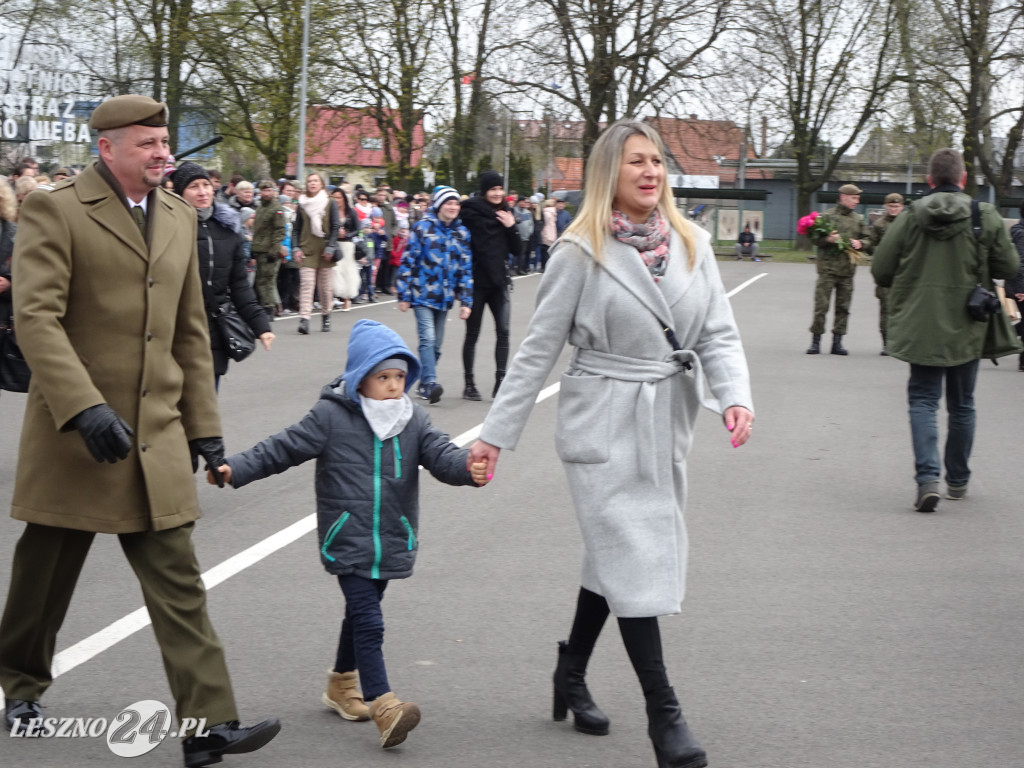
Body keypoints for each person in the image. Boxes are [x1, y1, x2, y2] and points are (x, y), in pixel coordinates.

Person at [0, 94, 280, 765]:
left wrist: (205, 432)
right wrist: (83, 406)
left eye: (164, 143)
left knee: (178, 578)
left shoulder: (181, 217)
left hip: (154, 435)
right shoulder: (56, 208)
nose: (163, 155)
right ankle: (20, 684)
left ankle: (207, 726)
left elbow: (190, 333)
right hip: (77, 432)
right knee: (44, 574)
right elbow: (36, 319)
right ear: (108, 148)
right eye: (148, 144)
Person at [467, 119, 753, 768]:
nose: (650, 173)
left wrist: (733, 396)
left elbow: (716, 333)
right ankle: (665, 714)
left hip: (662, 419)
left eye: (657, 162)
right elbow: (537, 350)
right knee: (631, 552)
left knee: (615, 557)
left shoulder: (692, 243)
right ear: (608, 175)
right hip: (599, 420)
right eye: (636, 163)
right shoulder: (579, 251)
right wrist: (495, 436)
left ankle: (571, 670)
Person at [208, 319, 488, 750]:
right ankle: (384, 704)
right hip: (348, 536)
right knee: (370, 621)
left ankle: (341, 685)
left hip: (392, 534)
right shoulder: (330, 417)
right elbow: (281, 448)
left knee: (362, 613)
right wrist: (235, 468)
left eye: (400, 376)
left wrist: (468, 467)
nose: (394, 386)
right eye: (384, 377)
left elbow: (441, 455)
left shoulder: (412, 418)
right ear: (361, 379)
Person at [873, 149, 1020, 511]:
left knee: (923, 400)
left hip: (922, 325)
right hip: (968, 325)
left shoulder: (909, 216)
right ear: (964, 179)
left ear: (929, 180)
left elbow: (881, 269)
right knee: (963, 403)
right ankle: (957, 480)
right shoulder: (981, 215)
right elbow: (1009, 263)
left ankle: (927, 479)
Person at [172, 162, 274, 389]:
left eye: (206, 185)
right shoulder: (167, 228)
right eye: (193, 186)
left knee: (206, 408)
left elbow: (238, 284)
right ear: (180, 193)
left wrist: (261, 325)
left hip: (214, 331)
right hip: (174, 331)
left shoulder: (228, 230)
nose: (202, 192)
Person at [397, 185, 474, 404]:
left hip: (445, 297)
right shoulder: (423, 228)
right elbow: (408, 260)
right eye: (449, 203)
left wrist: (466, 300)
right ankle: (430, 383)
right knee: (428, 338)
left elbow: (466, 268)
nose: (453, 207)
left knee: (437, 345)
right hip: (422, 294)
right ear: (439, 205)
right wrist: (403, 294)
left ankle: (422, 383)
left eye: (456, 203)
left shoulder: (462, 233)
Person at [459, 170, 521, 400]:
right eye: (492, 189)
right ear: (485, 191)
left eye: (499, 189)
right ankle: (469, 384)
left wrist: (511, 225)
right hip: (477, 283)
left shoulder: (506, 213)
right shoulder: (470, 212)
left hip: (499, 283)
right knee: (472, 334)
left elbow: (517, 250)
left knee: (504, 332)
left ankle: (500, 381)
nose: (497, 193)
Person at [806, 183, 873, 355]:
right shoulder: (826, 216)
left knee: (843, 307)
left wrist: (861, 244)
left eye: (858, 198)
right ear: (843, 197)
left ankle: (837, 342)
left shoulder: (858, 219)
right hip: (827, 270)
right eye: (853, 198)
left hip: (847, 272)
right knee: (821, 306)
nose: (856, 202)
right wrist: (826, 240)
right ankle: (816, 341)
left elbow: (868, 239)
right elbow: (814, 238)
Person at [293, 172, 341, 334]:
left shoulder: (330, 202)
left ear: (321, 184)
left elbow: (335, 226)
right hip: (307, 249)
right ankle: (304, 319)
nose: (312, 183)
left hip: (325, 249)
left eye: (315, 180)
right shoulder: (302, 203)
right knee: (307, 285)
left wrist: (331, 247)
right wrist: (296, 248)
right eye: (309, 181)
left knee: (325, 288)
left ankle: (326, 315)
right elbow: (296, 229)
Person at [870, 193, 905, 355]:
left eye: (896, 207)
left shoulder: (908, 223)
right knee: (885, 309)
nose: (893, 209)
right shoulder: (879, 225)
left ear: (902, 207)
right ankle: (886, 342)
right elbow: (872, 246)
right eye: (891, 206)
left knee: (904, 310)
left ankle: (900, 342)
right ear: (885, 206)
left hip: (904, 273)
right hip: (886, 273)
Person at [251, 179, 288, 320]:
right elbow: (258, 230)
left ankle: (269, 308)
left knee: (266, 280)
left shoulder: (276, 209)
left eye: (269, 190)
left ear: (273, 191)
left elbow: (279, 232)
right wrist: (254, 248)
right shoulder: (260, 208)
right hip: (260, 248)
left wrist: (274, 250)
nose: (266, 193)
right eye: (263, 190)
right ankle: (268, 306)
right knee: (261, 280)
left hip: (269, 250)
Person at [330, 186, 361, 311]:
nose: (337, 200)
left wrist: (347, 234)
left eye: (339, 197)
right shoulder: (330, 211)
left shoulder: (351, 212)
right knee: (334, 270)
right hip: (334, 244)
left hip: (347, 245)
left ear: (344, 199)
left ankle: (346, 299)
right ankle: (331, 298)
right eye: (334, 197)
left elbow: (358, 229)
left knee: (347, 271)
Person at [1008, 210, 1024, 371]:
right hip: (1021, 285)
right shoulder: (1021, 234)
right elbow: (1020, 262)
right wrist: (1021, 289)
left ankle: (1007, 333)